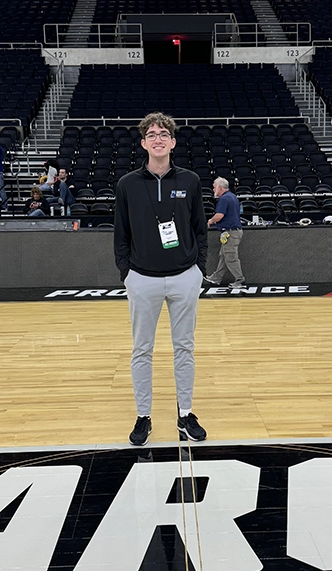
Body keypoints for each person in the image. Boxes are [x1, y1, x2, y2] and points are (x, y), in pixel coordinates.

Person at [114, 111, 208, 446]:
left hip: (185, 277)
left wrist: (199, 269)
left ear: (173, 141)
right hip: (142, 279)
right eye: (151, 133)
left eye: (163, 133)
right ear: (143, 142)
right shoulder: (127, 184)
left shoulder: (190, 181)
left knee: (184, 348)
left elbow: (200, 228)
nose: (158, 138)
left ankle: (185, 413)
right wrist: (126, 273)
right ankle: (143, 416)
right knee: (142, 349)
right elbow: (120, 234)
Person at [203, 177, 246, 289]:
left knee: (231, 257)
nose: (213, 190)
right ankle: (216, 278)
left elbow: (219, 215)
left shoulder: (224, 199)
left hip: (230, 233)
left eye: (214, 187)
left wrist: (210, 221)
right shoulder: (232, 197)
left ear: (220, 187)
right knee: (224, 256)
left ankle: (240, 280)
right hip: (233, 232)